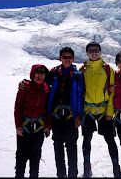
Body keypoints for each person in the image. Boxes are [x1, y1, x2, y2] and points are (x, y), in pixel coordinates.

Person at [41, 47, 85, 177]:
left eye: (69, 57)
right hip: (56, 117)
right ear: (60, 58)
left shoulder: (78, 76)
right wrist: (25, 83)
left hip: (71, 117)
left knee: (71, 148)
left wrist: (79, 115)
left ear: (73, 59)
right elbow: (41, 84)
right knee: (58, 147)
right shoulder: (53, 74)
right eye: (64, 57)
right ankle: (61, 174)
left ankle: (72, 175)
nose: (67, 59)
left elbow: (81, 96)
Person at [79, 42, 120, 177]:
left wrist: (110, 111)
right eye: (91, 51)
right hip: (88, 111)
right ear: (87, 53)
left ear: (100, 52)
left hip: (104, 111)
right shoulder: (83, 69)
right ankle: (86, 169)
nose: (94, 53)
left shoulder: (108, 69)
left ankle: (116, 169)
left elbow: (112, 92)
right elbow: (79, 91)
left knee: (110, 140)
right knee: (86, 140)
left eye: (96, 50)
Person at [14, 64, 52, 178]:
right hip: (24, 127)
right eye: (38, 72)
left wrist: (48, 126)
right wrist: (18, 126)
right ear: (33, 73)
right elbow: (18, 107)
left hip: (39, 128)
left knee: (35, 156)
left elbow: (48, 108)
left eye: (43, 73)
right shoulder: (25, 87)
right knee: (21, 156)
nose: (40, 75)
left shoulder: (46, 88)